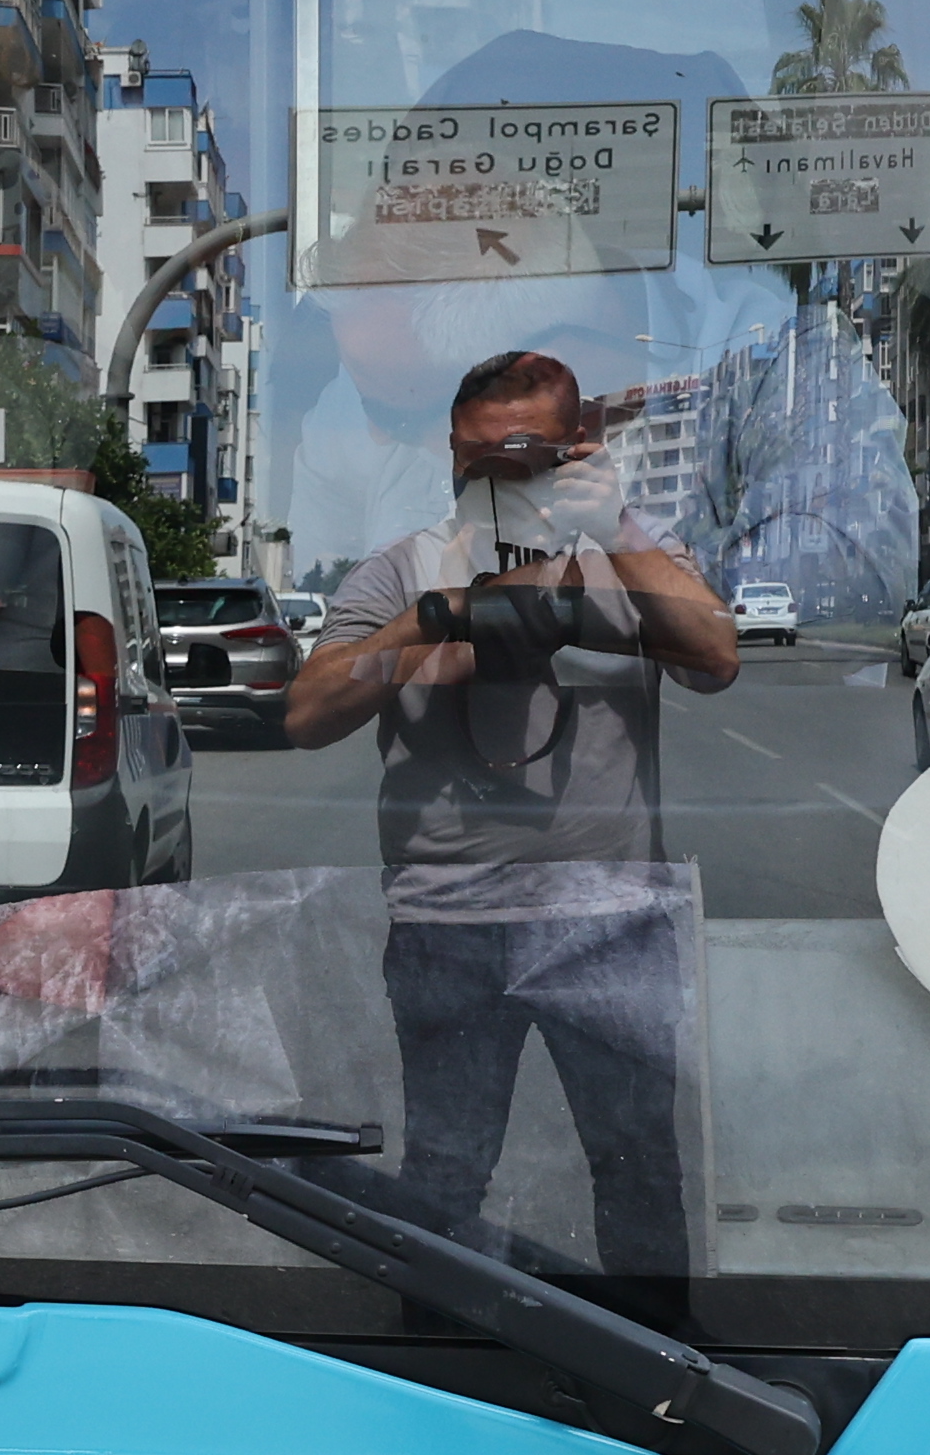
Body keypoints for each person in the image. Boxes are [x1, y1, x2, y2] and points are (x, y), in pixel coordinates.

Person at [285, 347, 739, 1277]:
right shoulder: (402, 569)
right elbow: (307, 714)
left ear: (573, 450)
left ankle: (659, 1391)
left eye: (515, 456)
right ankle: (436, 1375)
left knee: (641, 1170)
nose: (485, 477)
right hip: (448, 922)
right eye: (469, 457)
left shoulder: (625, 561)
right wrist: (438, 616)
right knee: (445, 1175)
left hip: (609, 919)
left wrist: (612, 527)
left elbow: (716, 658)